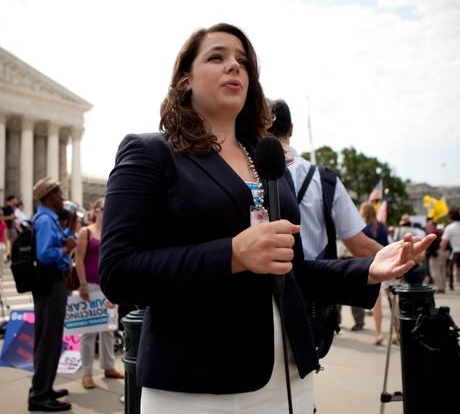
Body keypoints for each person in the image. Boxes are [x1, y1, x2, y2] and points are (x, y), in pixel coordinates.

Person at [99, 23, 434, 414]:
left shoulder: (268, 160)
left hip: (289, 377)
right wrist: (231, 254)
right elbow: (118, 273)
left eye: (243, 61)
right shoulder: (149, 152)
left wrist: (366, 269)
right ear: (185, 79)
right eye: (217, 57)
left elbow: (289, 272)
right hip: (198, 385)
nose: (234, 67)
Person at [268, 99, 383, 335]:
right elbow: (359, 245)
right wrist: (395, 257)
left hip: (260, 299)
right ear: (291, 129)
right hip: (311, 300)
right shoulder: (324, 180)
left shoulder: (243, 171)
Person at [28, 177, 76, 412]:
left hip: (51, 285)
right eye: (58, 193)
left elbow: (64, 241)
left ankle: (44, 387)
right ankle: (39, 395)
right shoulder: (46, 220)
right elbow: (46, 254)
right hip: (50, 284)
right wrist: (64, 249)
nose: (62, 197)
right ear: (48, 196)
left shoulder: (50, 219)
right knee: (48, 339)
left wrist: (69, 234)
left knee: (49, 338)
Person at [74, 197, 124, 389]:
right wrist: (83, 283)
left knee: (108, 329)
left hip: (109, 287)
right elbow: (79, 258)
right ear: (96, 211)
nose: (106, 210)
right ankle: (87, 373)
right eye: (103, 208)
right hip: (91, 287)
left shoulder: (113, 231)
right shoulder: (86, 232)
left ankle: (108, 366)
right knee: (88, 332)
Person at [359, 202, 391, 345]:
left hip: (372, 266)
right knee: (392, 299)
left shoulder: (361, 227)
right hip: (387, 263)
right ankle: (396, 332)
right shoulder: (382, 226)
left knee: (377, 302)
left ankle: (379, 333)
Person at [426, 220, 449, 293]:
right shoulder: (441, 232)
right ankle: (443, 287)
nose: (427, 227)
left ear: (432, 226)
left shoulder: (433, 234)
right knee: (442, 270)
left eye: (428, 226)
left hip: (436, 253)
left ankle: (439, 287)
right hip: (443, 252)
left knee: (435, 271)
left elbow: (429, 245)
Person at [440, 209, 460, 284]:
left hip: (455, 251)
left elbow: (443, 242)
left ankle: (452, 284)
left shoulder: (449, 228)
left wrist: (443, 250)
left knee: (450, 267)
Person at [2, 195, 17, 262]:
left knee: (13, 243)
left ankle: (11, 256)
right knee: (7, 243)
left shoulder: (12, 208)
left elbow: (13, 219)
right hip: (6, 228)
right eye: (14, 199)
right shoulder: (4, 208)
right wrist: (10, 217)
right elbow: (2, 218)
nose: (15, 201)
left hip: (12, 227)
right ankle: (7, 256)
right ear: (11, 199)